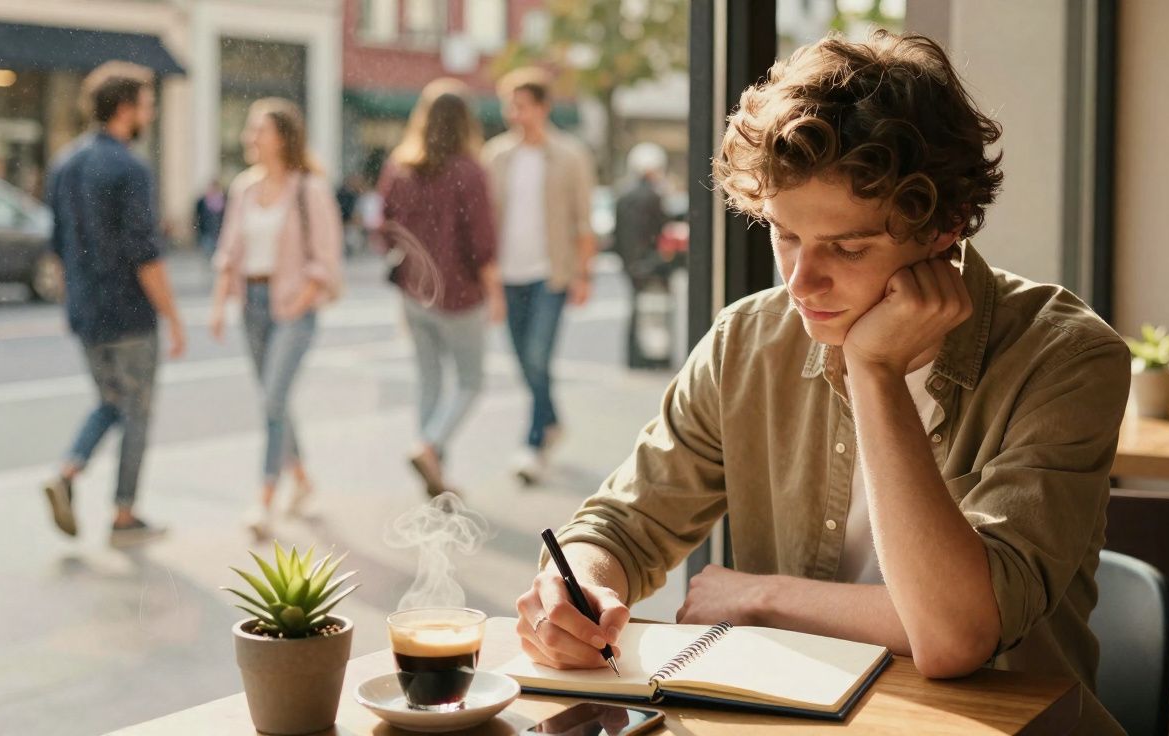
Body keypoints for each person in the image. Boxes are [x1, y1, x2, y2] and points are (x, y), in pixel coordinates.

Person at [514, 33, 1130, 735]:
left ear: (945, 226)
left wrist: (873, 372)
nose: (801, 283)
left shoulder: (1067, 358)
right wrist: (580, 586)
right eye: (784, 236)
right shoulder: (747, 341)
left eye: (847, 247)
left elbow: (955, 634)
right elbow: (623, 526)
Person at [41, 61, 185, 547]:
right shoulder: (129, 167)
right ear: (125, 109)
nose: (151, 113)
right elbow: (146, 254)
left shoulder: (64, 162)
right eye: (147, 105)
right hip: (129, 314)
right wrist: (173, 316)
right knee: (137, 413)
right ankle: (124, 513)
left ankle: (67, 472)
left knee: (109, 401)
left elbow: (58, 245)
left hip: (85, 312)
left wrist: (77, 299)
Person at [209, 98, 344, 540]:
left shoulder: (310, 189)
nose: (250, 138)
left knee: (271, 401)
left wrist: (301, 299)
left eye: (258, 130)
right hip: (253, 304)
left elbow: (326, 257)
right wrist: (219, 303)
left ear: (282, 137)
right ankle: (303, 480)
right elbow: (229, 251)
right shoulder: (244, 188)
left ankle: (264, 499)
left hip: (293, 307)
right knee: (276, 400)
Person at [379, 78, 502, 496]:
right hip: (461, 295)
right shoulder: (469, 171)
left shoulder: (400, 167)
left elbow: (384, 230)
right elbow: (482, 241)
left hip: (414, 294)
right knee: (470, 381)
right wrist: (495, 292)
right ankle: (429, 448)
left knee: (429, 381)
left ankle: (430, 467)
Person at [481, 68, 597, 485]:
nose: (514, 112)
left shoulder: (570, 155)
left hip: (551, 275)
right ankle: (552, 421)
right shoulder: (496, 156)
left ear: (543, 107)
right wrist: (488, 280)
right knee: (522, 361)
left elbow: (584, 221)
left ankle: (533, 444)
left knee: (537, 357)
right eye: (509, 104)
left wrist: (584, 275)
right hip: (508, 276)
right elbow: (484, 223)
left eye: (522, 104)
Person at [613, 142, 671, 369]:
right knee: (653, 311)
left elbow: (617, 235)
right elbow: (660, 229)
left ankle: (635, 356)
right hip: (650, 263)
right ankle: (652, 356)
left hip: (630, 264)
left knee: (637, 309)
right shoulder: (653, 196)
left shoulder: (622, 195)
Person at [195, 176, 227, 260]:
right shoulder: (202, 201)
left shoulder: (224, 199)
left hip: (219, 232)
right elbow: (197, 216)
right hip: (206, 232)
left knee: (218, 255)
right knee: (208, 255)